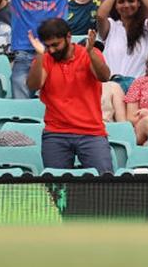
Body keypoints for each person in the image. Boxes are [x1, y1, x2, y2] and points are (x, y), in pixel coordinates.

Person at [25, 18, 112, 174]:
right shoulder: (44, 58)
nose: (51, 50)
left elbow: (104, 76)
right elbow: (34, 85)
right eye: (47, 46)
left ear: (68, 37)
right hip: (56, 133)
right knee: (56, 191)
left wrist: (91, 52)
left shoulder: (89, 53)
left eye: (55, 45)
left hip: (91, 132)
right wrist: (39, 56)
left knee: (104, 186)